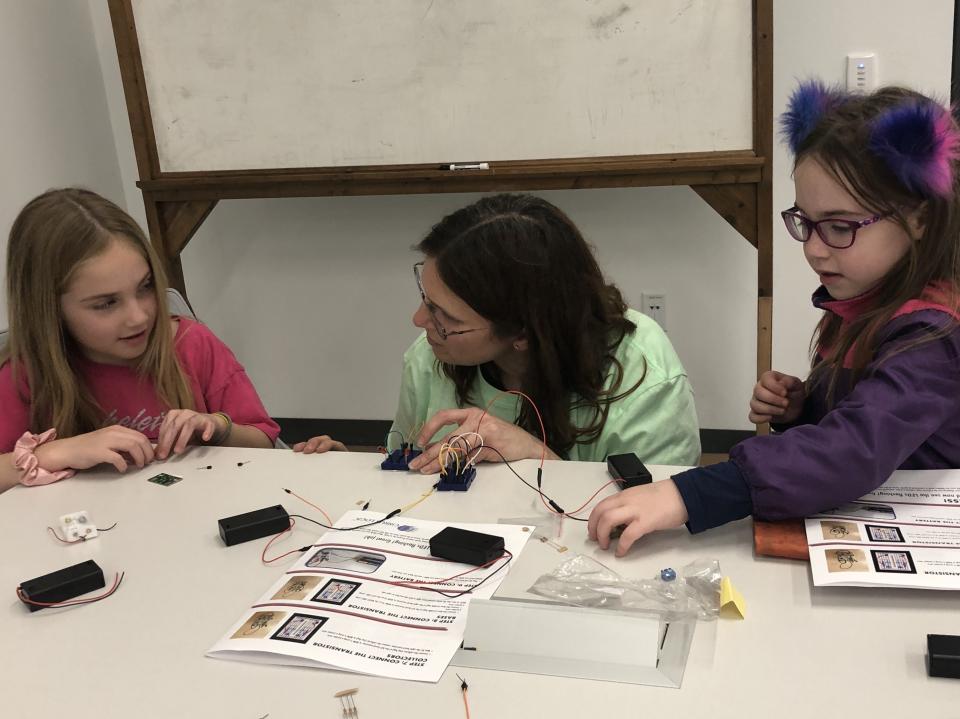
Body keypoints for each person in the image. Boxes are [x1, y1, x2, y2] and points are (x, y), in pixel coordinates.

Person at [589, 81, 960, 555]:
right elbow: (868, 415)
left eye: (840, 226)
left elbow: (854, 449)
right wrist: (803, 409)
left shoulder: (933, 335)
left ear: (921, 219)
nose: (813, 248)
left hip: (927, 534)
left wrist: (687, 493)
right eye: (805, 221)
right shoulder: (869, 299)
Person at [296, 193, 701, 470]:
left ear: (523, 333)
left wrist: (535, 455)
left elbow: (651, 520)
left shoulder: (645, 376)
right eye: (427, 299)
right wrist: (350, 469)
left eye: (445, 317)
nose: (419, 321)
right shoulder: (430, 357)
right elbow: (406, 463)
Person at [0, 188, 280, 492]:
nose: (139, 317)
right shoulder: (24, 374)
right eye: (106, 303)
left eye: (145, 287)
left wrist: (217, 428)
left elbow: (265, 440)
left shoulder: (191, 343)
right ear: (50, 310)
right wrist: (57, 452)